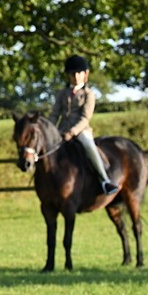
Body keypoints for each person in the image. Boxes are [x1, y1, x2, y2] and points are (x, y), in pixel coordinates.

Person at [50, 55, 119, 196]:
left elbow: (85, 118)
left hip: (81, 131)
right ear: (68, 75)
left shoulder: (88, 94)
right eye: (72, 74)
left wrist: (72, 132)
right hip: (61, 130)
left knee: (89, 146)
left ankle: (104, 180)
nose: (75, 76)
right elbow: (54, 114)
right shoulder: (62, 94)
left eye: (78, 73)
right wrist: (50, 130)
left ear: (85, 74)